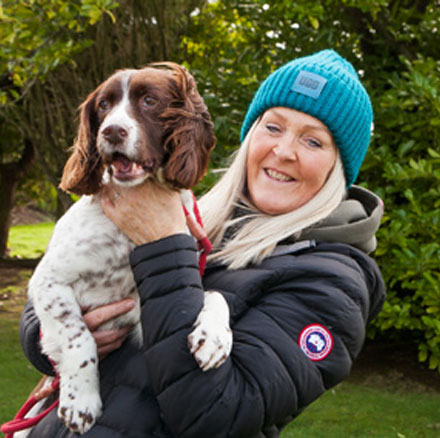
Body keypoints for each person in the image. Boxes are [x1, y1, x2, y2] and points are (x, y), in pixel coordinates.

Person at [20, 49, 386, 437]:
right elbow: (49, 291)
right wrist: (51, 337)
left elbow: (218, 416)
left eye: (313, 142)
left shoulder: (333, 283)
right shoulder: (193, 213)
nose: (283, 152)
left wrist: (163, 245)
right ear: (250, 135)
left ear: (338, 167)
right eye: (273, 128)